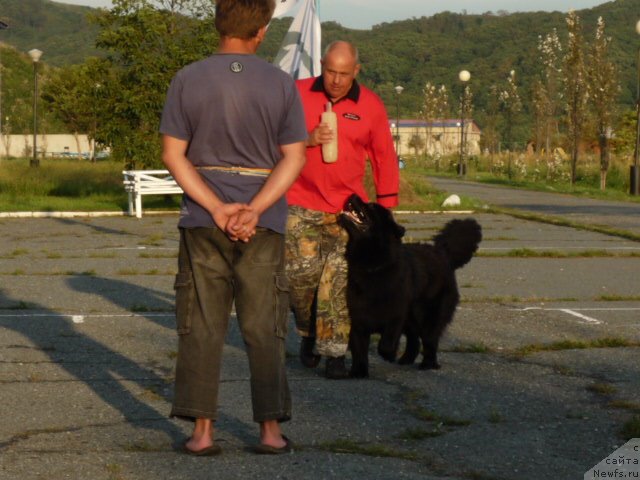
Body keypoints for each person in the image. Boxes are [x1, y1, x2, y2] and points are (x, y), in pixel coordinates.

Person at [159, 0, 307, 455]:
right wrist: (255, 209)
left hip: (203, 220)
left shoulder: (187, 78)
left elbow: (173, 155)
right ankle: (270, 431)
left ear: (218, 25)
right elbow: (294, 157)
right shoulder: (281, 84)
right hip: (264, 222)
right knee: (264, 326)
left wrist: (219, 208)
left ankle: (202, 432)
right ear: (261, 31)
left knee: (201, 324)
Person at [286, 41, 399, 379]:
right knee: (299, 279)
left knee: (337, 281)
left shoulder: (371, 106)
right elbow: (270, 139)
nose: (336, 80)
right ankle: (309, 333)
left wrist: (386, 210)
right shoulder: (295, 94)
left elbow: (384, 157)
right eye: (330, 71)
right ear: (321, 65)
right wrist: (307, 139)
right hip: (299, 202)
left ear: (356, 71)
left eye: (344, 74)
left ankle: (335, 352)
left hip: (347, 211)